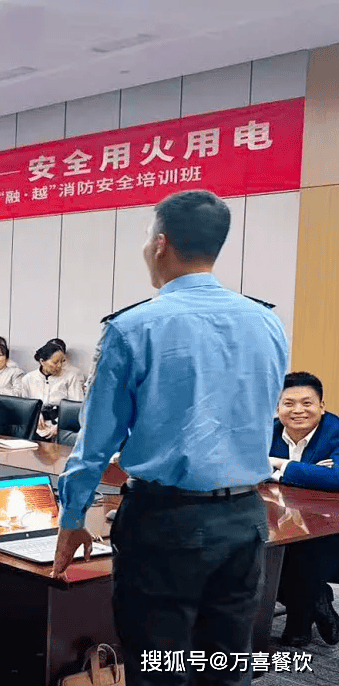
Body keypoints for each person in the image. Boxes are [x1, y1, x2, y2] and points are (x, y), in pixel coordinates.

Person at [52, 190, 288, 686]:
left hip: (164, 522)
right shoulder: (267, 322)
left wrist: (72, 518)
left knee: (159, 668)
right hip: (245, 518)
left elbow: (96, 443)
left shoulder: (132, 327)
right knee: (229, 664)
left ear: (160, 243)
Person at [268, 371, 339, 646]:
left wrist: (277, 465)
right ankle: (317, 599)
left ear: (322, 406)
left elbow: (336, 478)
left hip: (330, 528)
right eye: (289, 403)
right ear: (278, 408)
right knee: (260, 551)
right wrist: (311, 473)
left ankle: (299, 624)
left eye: (307, 403)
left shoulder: (335, 432)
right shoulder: (267, 432)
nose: (298, 410)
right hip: (282, 518)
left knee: (305, 548)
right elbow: (244, 468)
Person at [19, 342, 83, 442]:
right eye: (55, 362)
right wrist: (36, 415)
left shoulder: (71, 377)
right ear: (42, 361)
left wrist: (60, 425)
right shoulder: (28, 379)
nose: (59, 366)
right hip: (37, 427)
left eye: (62, 362)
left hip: (62, 427)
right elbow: (24, 406)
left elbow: (77, 407)